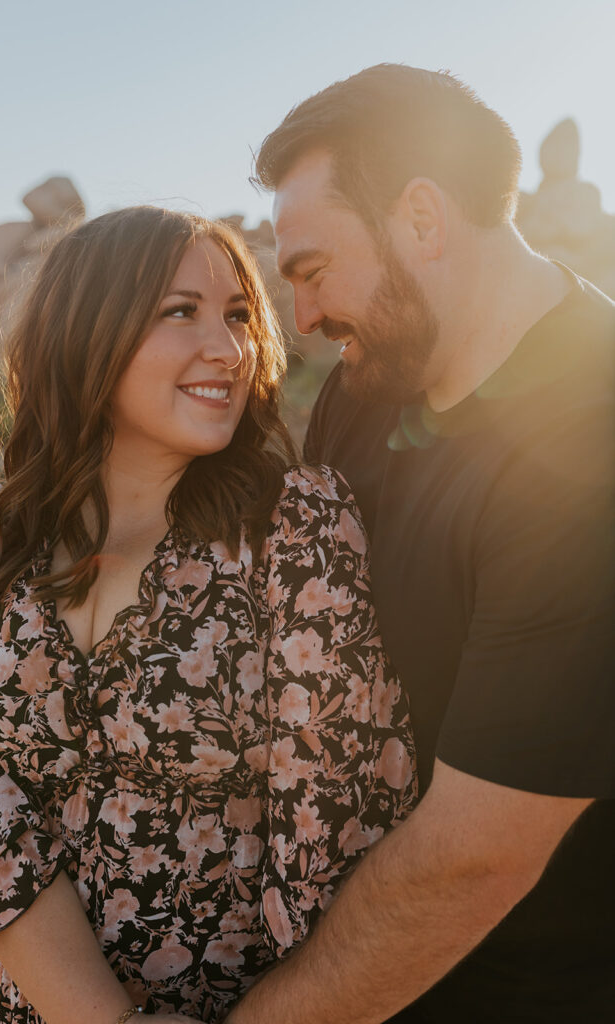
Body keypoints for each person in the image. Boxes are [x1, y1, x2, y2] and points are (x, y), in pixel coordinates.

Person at [0, 206, 417, 1024]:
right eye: (179, 311)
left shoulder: (293, 528)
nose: (227, 350)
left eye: (237, 315)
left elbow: (338, 830)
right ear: (87, 330)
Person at [225, 64, 615, 1024]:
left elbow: (477, 854)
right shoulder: (368, 396)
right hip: (360, 974)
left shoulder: (592, 438)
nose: (302, 320)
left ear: (422, 219)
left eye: (312, 271)